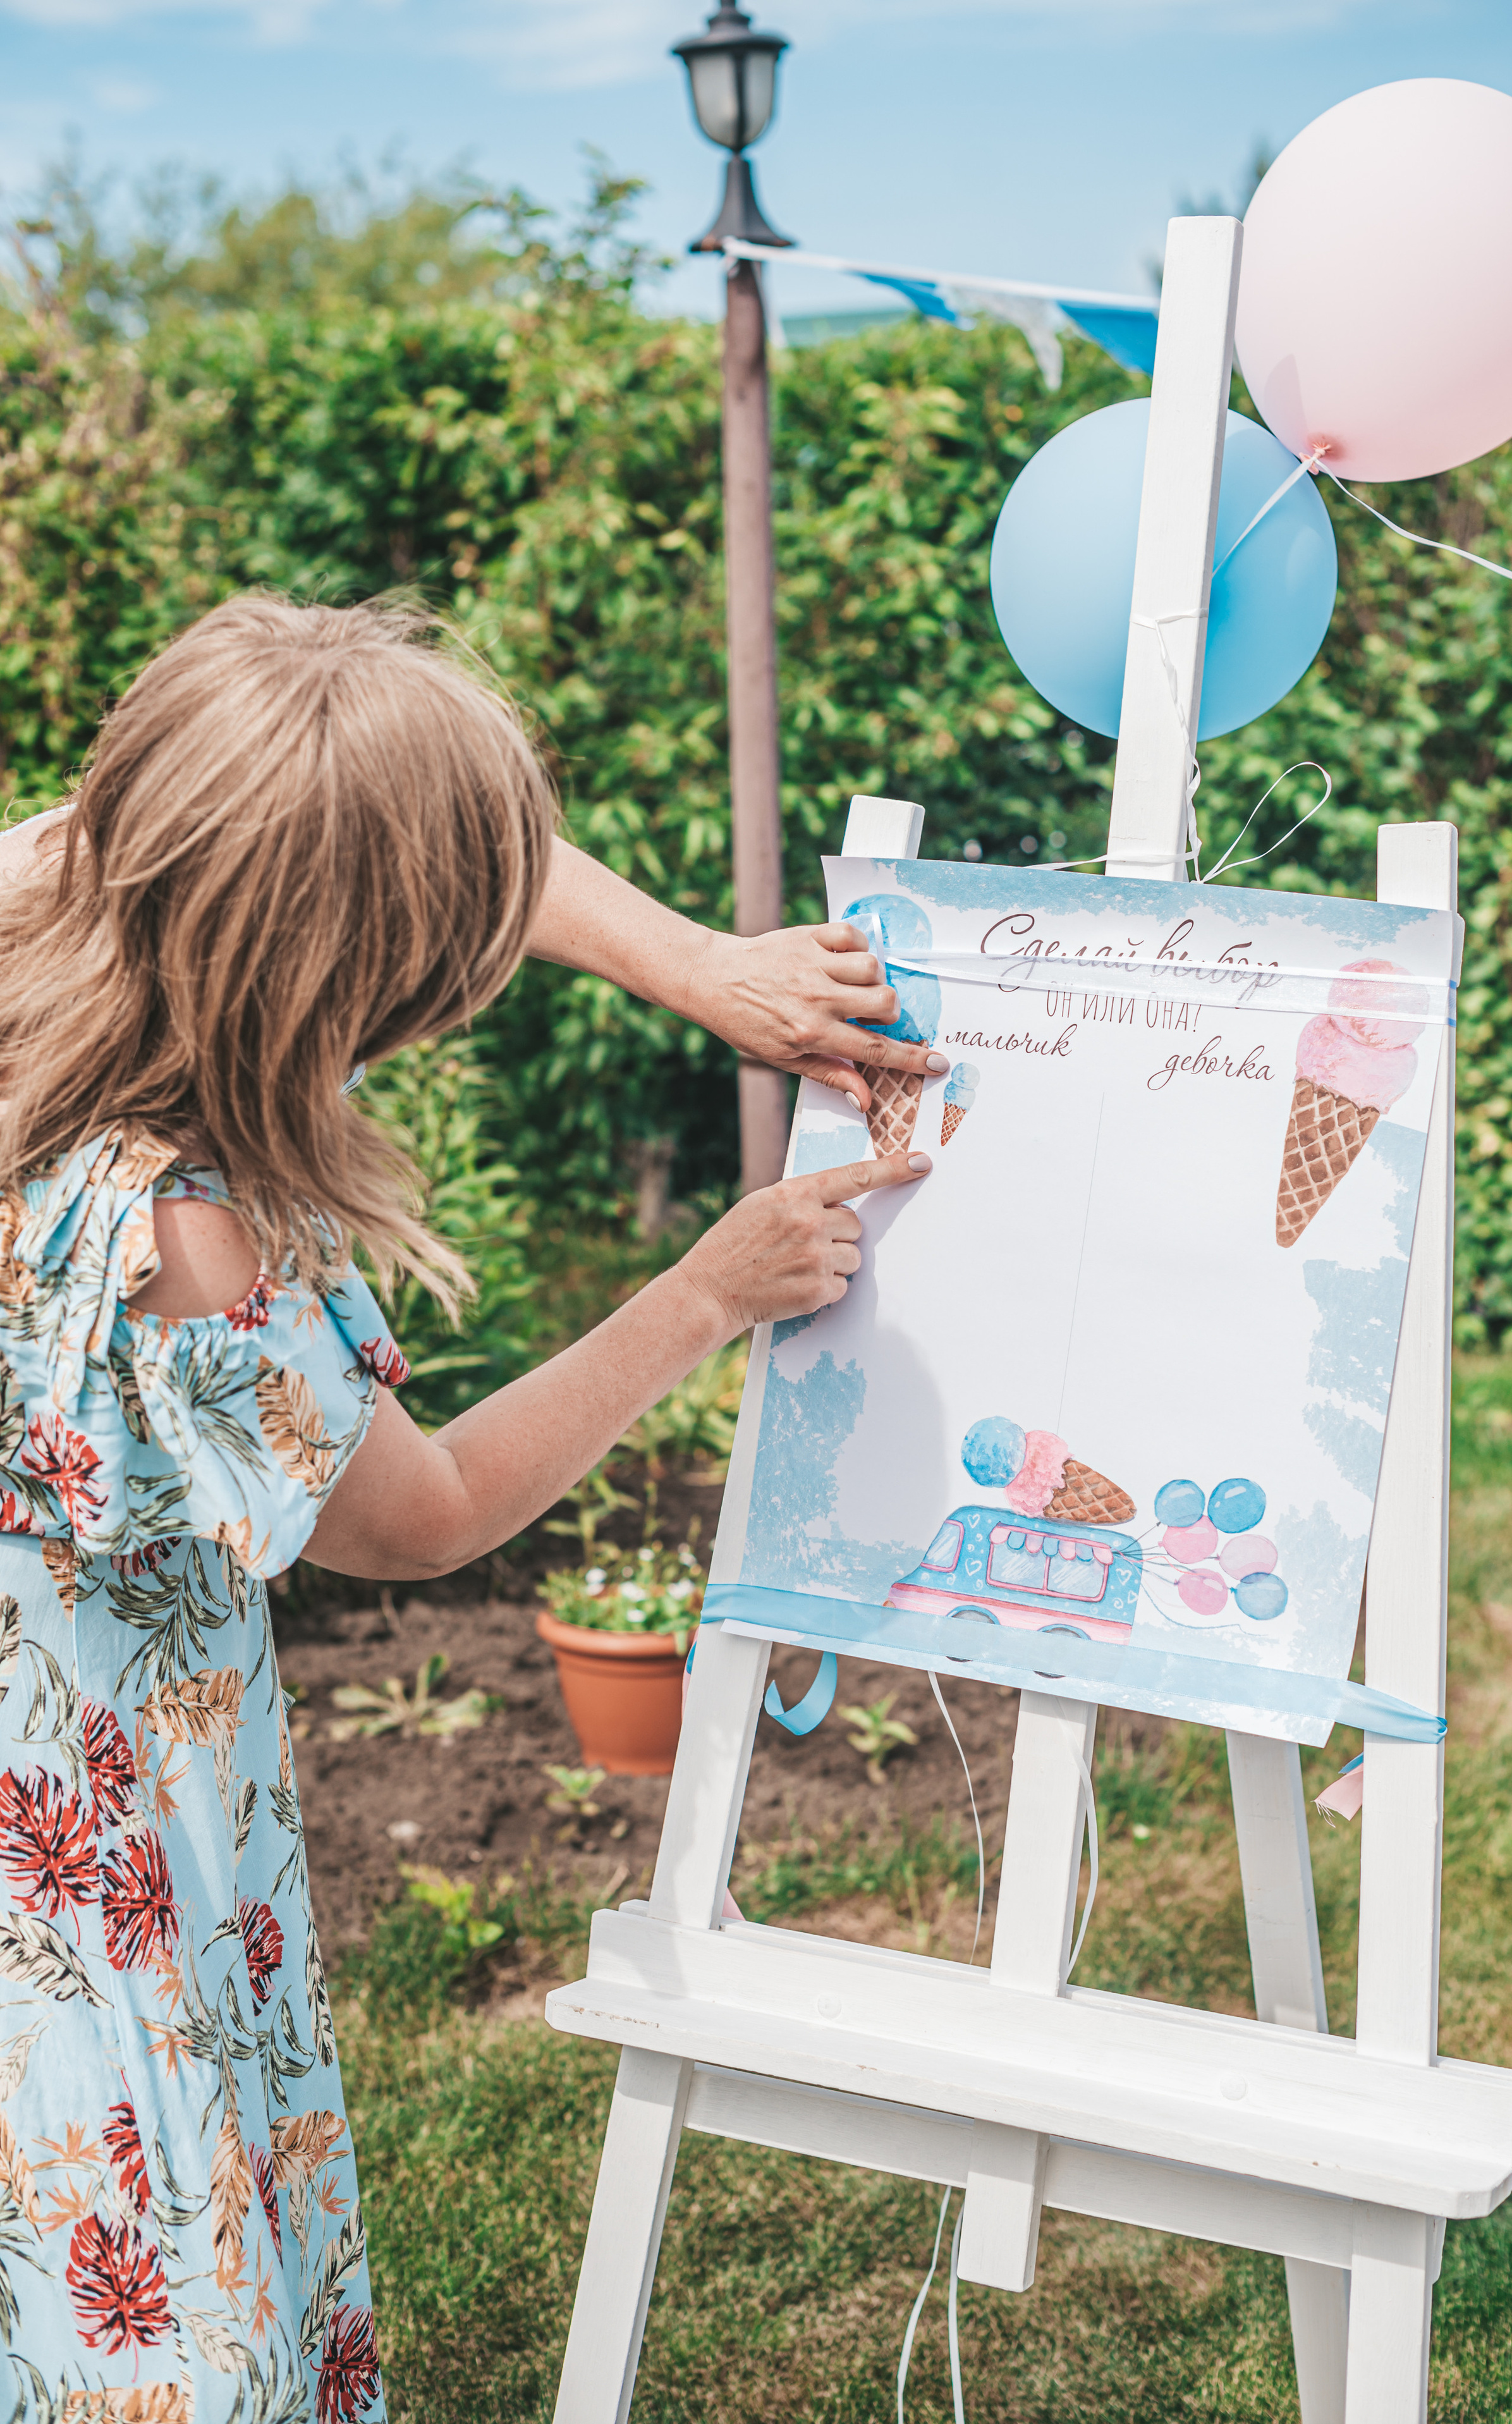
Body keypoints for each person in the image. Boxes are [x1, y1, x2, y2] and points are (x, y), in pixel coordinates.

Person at [0, 595, 932, 2419]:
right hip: (100, 1819)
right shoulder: (192, 1234)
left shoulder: (68, 909)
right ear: (356, 973)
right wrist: (706, 1293)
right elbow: (418, 1519)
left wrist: (694, 967)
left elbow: (336, 794)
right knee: (140, 2287)